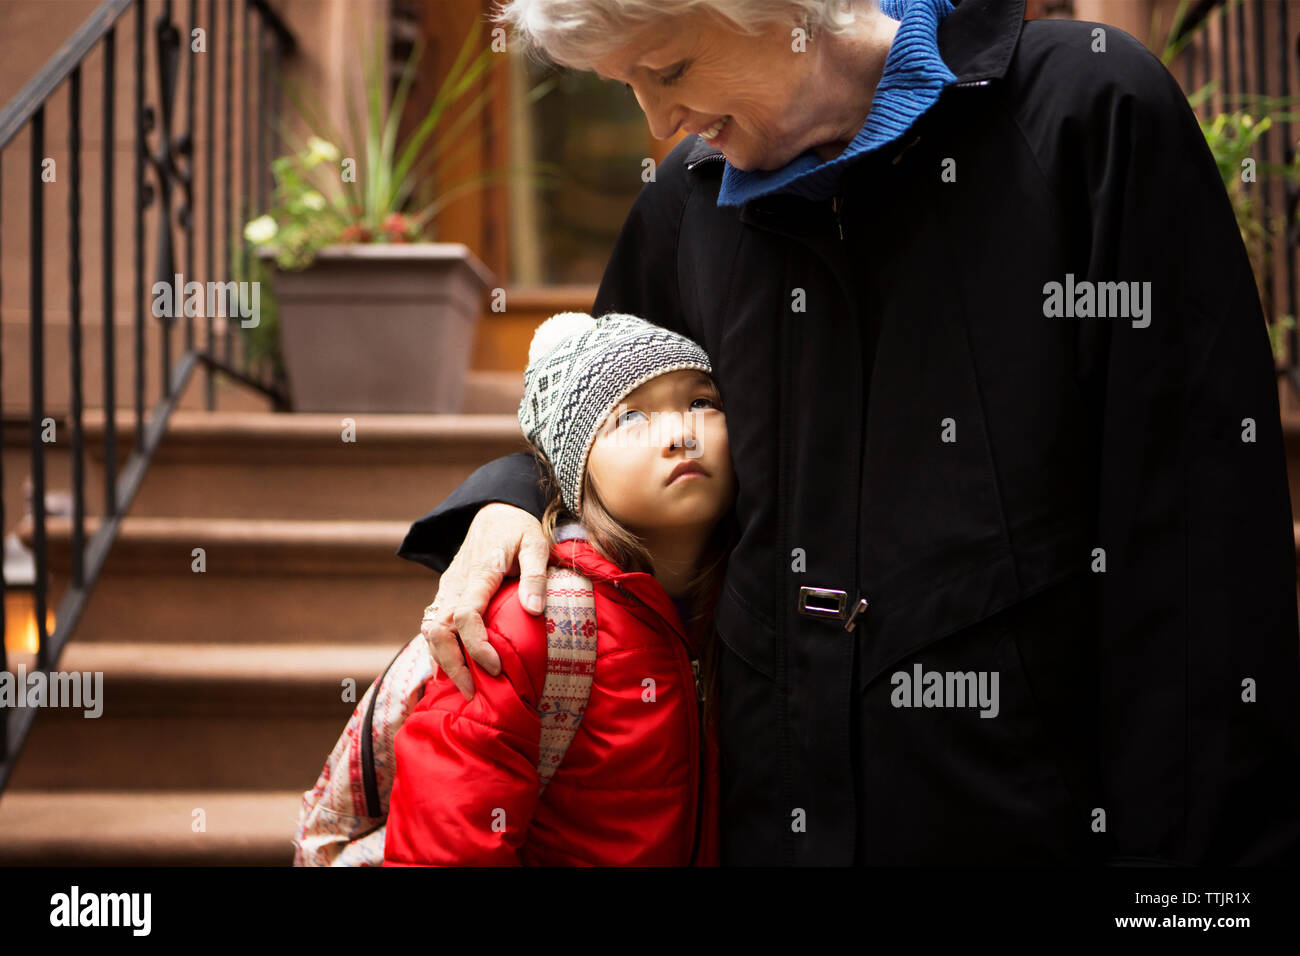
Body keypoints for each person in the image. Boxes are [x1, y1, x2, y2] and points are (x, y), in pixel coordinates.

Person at [396, 0, 1300, 864]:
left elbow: (1201, 554)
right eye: (626, 82)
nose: (661, 120)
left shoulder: (1090, 116)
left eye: (669, 67)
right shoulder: (686, 200)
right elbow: (589, 414)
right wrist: (511, 503)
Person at [383, 312, 738, 865]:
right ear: (577, 474)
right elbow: (449, 838)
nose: (680, 433)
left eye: (701, 402)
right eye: (630, 417)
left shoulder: (747, 603)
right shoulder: (532, 620)